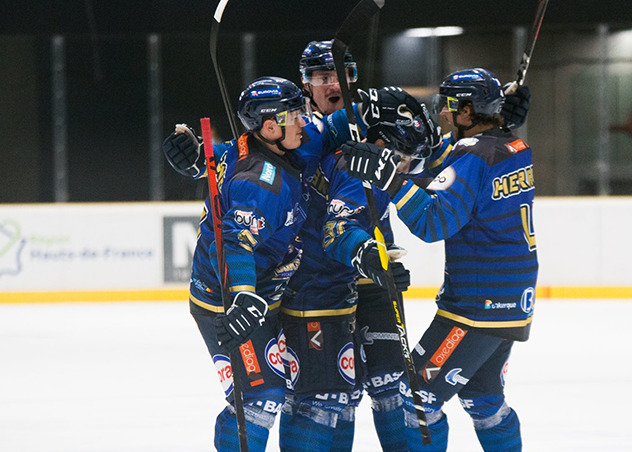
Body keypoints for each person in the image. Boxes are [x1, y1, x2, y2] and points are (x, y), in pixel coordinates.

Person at [339, 67, 537, 452]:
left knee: (418, 398)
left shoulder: (474, 157)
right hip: (512, 300)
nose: (441, 115)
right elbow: (452, 172)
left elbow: (435, 222)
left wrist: (391, 182)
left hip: (477, 305)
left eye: (447, 106)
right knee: (484, 400)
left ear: (466, 112)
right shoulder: (513, 148)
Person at [168, 76, 311, 452]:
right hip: (228, 303)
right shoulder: (264, 183)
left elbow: (221, 157)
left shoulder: (246, 148)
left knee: (267, 391)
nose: (304, 122)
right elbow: (235, 238)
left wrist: (199, 156)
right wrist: (244, 295)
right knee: (260, 398)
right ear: (270, 126)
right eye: (296, 115)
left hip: (244, 297)